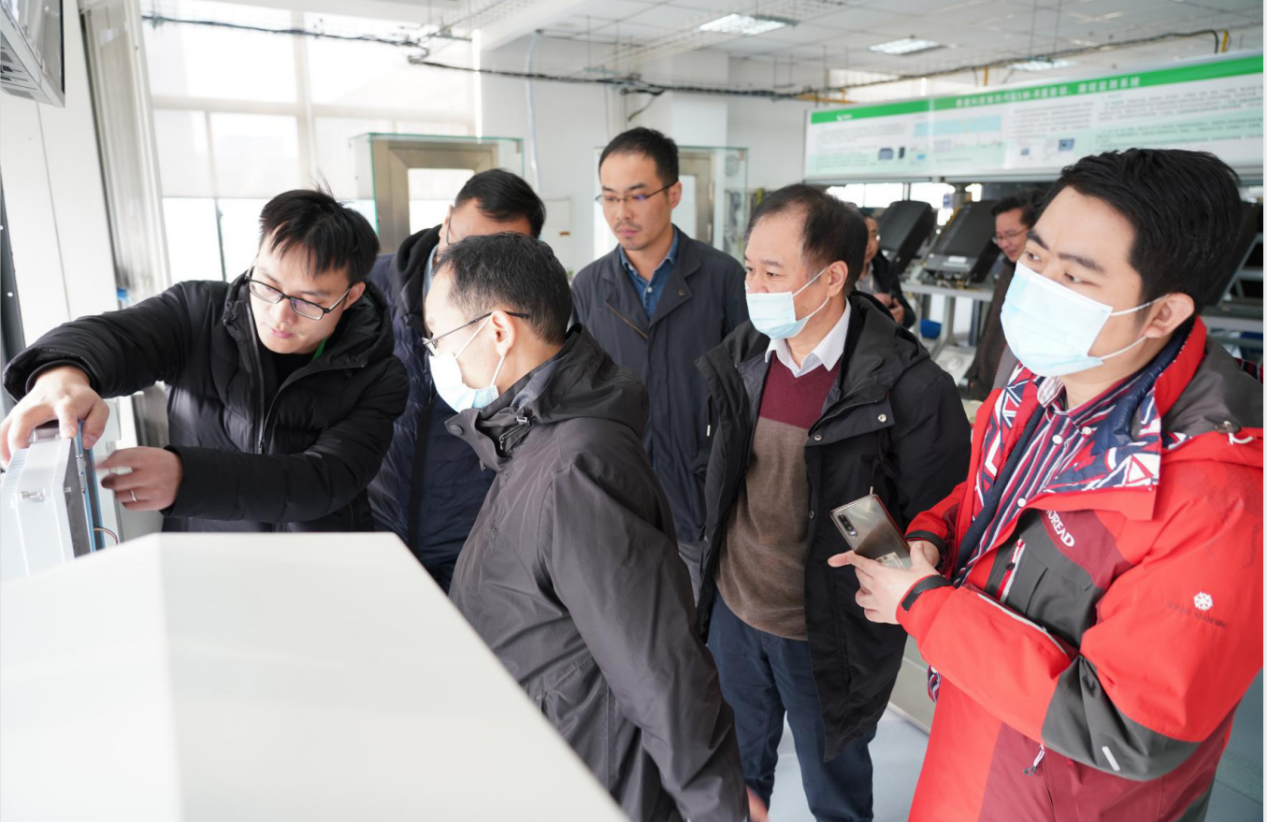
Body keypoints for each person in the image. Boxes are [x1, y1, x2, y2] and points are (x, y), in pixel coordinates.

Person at [833, 149, 1262, 822]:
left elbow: (1131, 726)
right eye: (1034, 257)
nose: (1036, 285)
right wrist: (932, 537)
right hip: (974, 748)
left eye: (1073, 275)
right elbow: (998, 497)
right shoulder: (1039, 382)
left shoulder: (1217, 498)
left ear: (1160, 313)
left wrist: (924, 606)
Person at [434, 232, 752, 822]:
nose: (437, 355)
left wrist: (715, 810)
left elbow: (658, 669)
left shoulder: (575, 467)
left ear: (498, 331)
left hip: (589, 775)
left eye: (440, 337)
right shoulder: (530, 434)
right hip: (545, 754)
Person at [695, 185, 971, 821]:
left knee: (834, 786)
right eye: (749, 268)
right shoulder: (743, 356)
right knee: (735, 771)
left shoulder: (908, 386)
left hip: (828, 632)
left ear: (832, 278)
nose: (753, 286)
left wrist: (912, 554)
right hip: (736, 611)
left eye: (772, 272)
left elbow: (943, 509)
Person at [1, 189, 408, 531]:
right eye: (268, 285)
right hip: (206, 550)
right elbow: (115, 337)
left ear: (351, 296)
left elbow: (327, 479)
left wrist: (188, 478)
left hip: (325, 560)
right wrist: (63, 374)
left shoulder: (379, 374)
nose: (279, 314)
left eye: (308, 301)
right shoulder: (198, 313)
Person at [572, 127, 748, 596]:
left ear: (674, 194)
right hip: (616, 495)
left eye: (636, 196)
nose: (621, 214)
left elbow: (748, 390)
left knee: (696, 622)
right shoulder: (588, 287)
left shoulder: (722, 278)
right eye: (610, 198)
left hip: (698, 498)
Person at [366, 168, 546, 591]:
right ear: (446, 220)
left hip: (471, 529)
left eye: (492, 257)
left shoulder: (531, 314)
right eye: (463, 245)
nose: (469, 269)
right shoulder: (368, 287)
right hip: (375, 519)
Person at [963, 188, 1046, 399]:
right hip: (985, 385)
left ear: (1035, 229)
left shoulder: (1046, 280)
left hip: (1015, 393)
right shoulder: (1009, 268)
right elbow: (991, 326)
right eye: (999, 237)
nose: (1003, 244)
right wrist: (975, 372)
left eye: (1011, 235)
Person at [856, 214, 915, 330]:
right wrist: (870, 304)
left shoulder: (885, 268)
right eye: (861, 236)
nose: (868, 245)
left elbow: (911, 315)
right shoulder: (838, 275)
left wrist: (901, 314)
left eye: (873, 236)